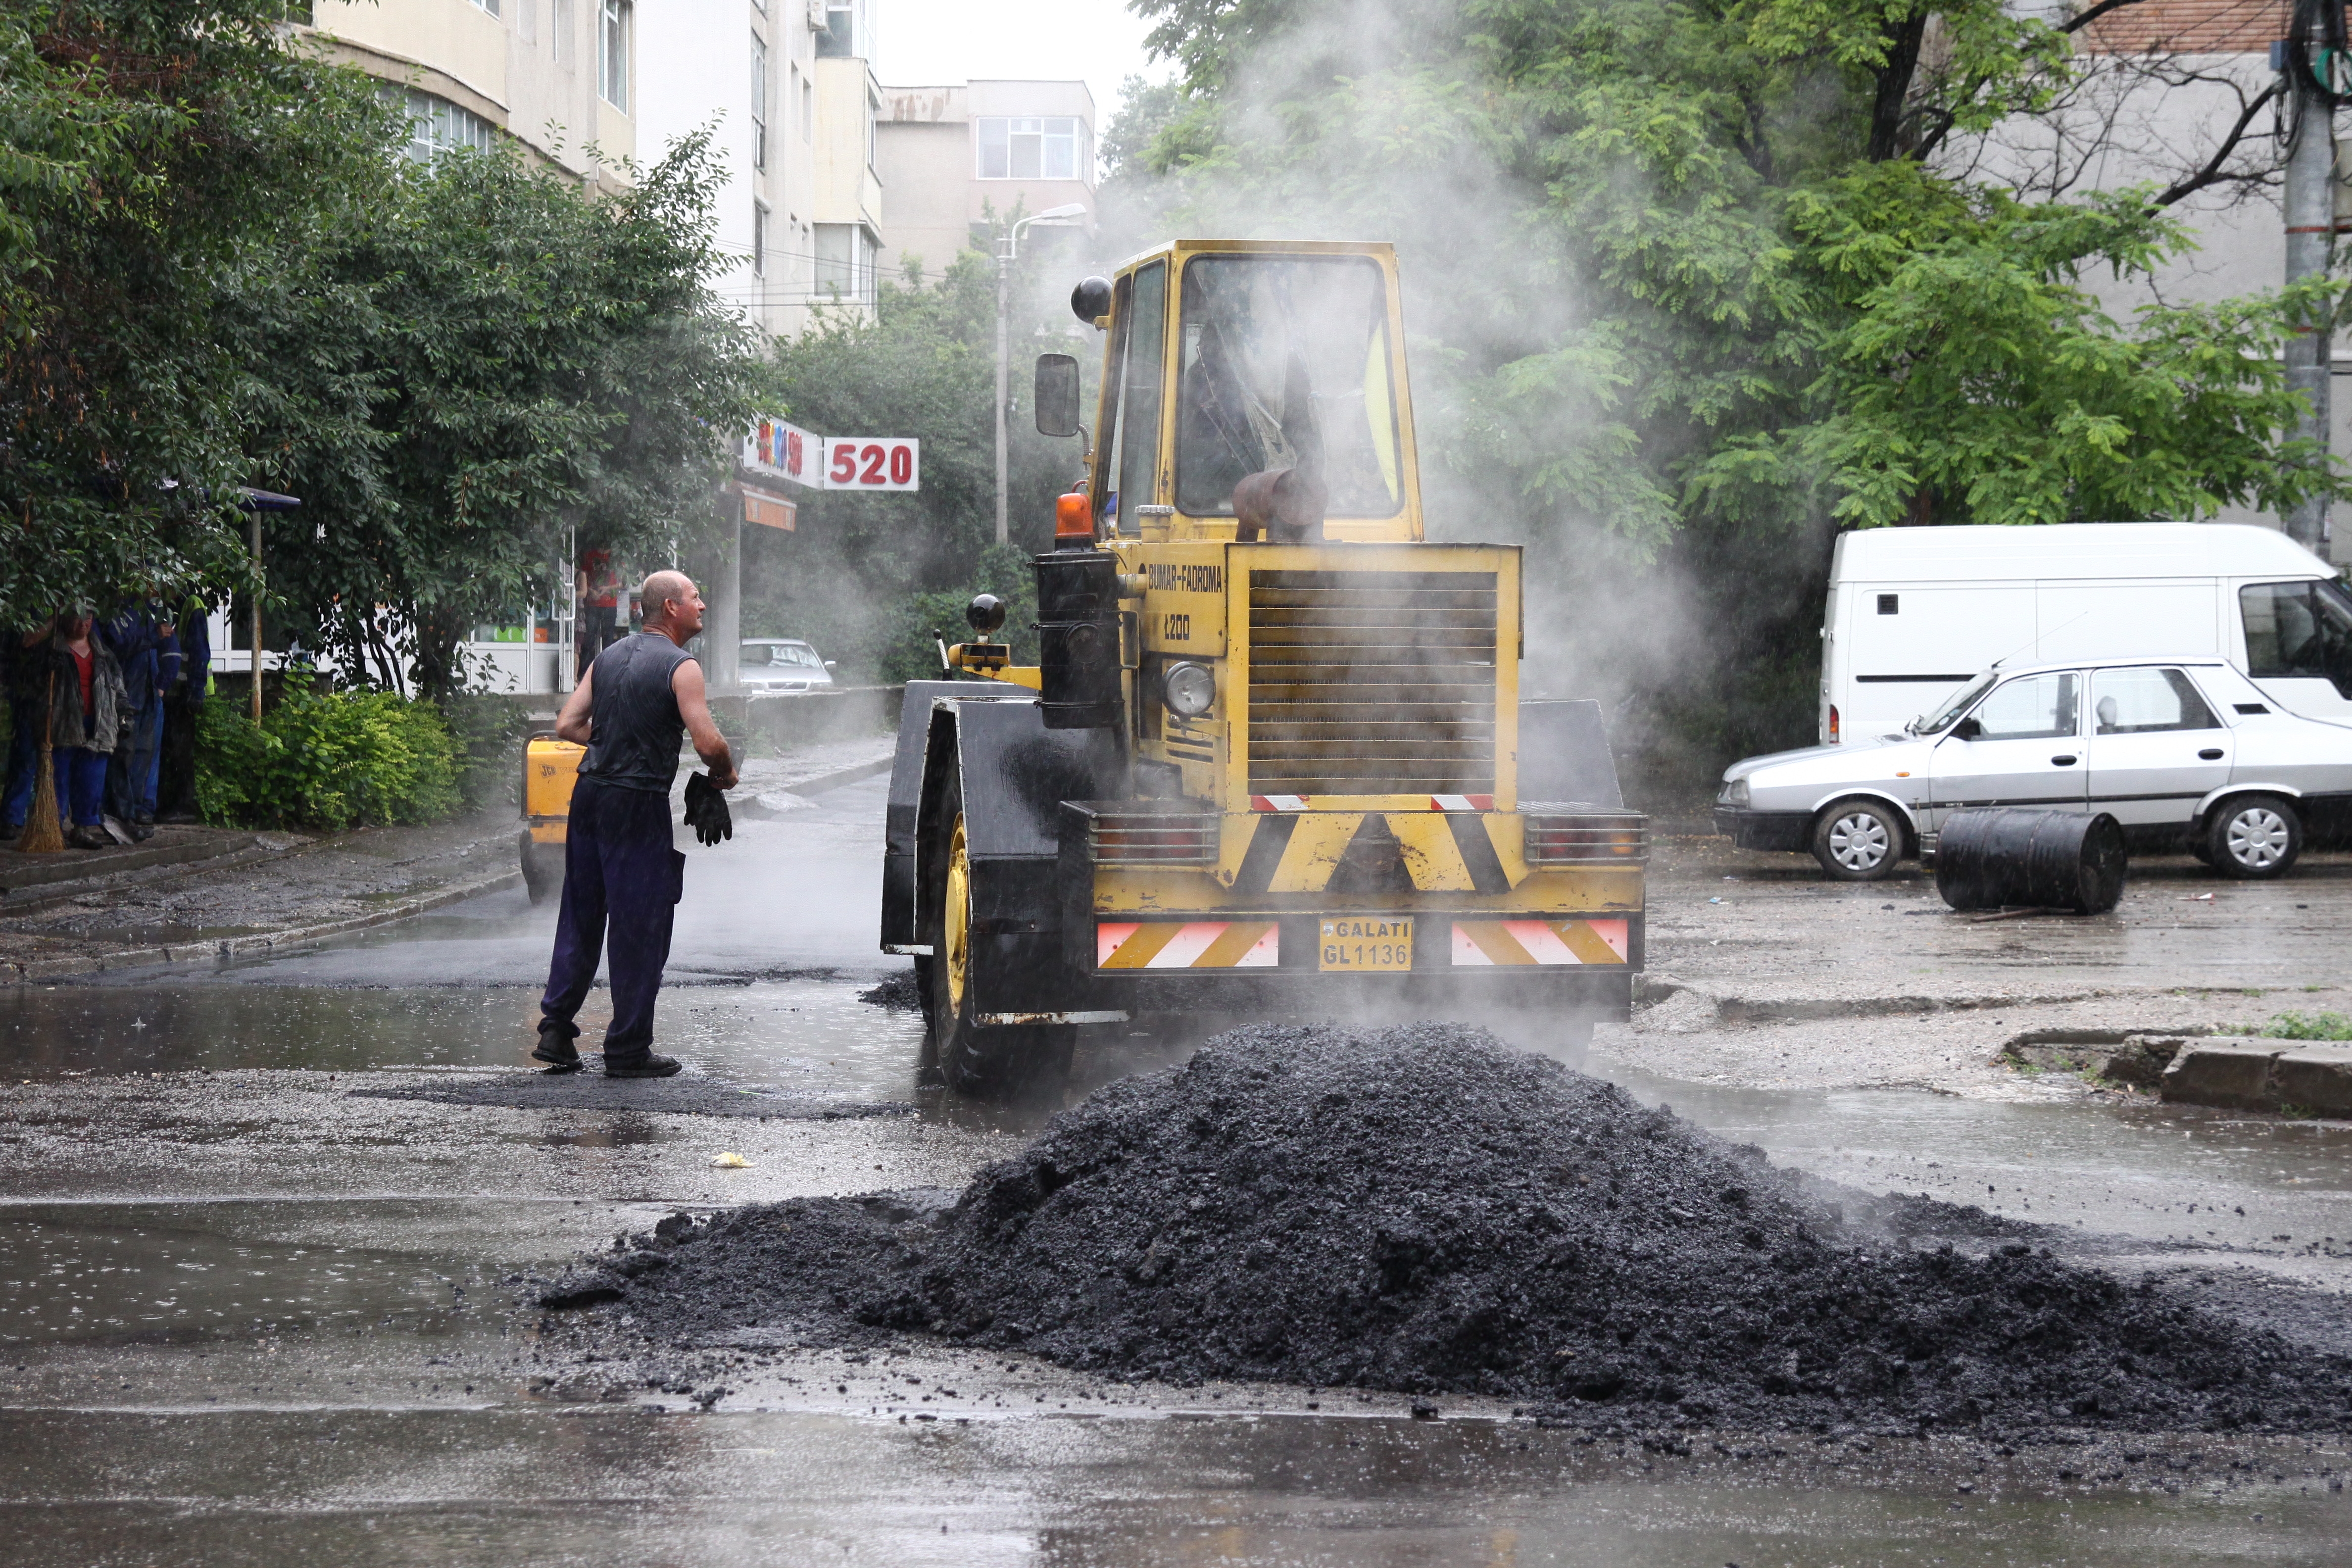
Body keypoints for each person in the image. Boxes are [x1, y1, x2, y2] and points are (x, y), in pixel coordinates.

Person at [535, 570, 736, 1078]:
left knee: (581, 913)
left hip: (589, 796)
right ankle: (627, 1049)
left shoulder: (607, 658)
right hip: (637, 803)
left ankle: (556, 1031)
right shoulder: (682, 667)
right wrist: (724, 775)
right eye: (695, 598)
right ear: (670, 608)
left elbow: (567, 725)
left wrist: (611, 745)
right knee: (640, 924)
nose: (703, 605)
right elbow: (709, 743)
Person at [35, 613, 128, 850]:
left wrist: (124, 716)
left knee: (91, 779)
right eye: (77, 618)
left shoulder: (103, 654)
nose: (83, 624)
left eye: (88, 618)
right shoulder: (54, 651)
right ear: (66, 619)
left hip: (98, 724)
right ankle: (52, 828)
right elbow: (34, 686)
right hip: (63, 724)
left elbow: (117, 686)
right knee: (58, 778)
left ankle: (83, 829)